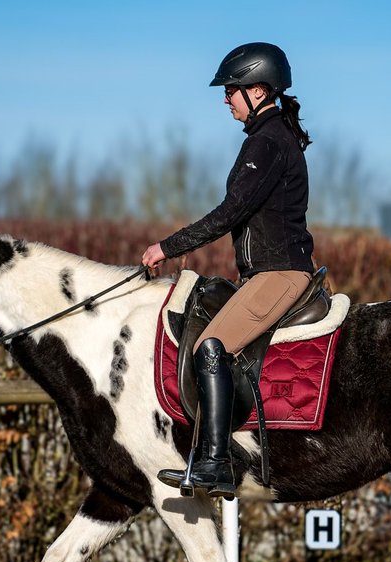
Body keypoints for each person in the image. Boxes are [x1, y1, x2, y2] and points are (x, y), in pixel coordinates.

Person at [143, 42, 315, 499]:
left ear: (258, 91)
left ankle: (216, 463)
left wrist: (168, 246)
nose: (226, 99)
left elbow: (229, 213)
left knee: (211, 346)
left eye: (232, 90)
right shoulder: (269, 138)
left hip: (281, 273)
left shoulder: (268, 141)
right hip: (264, 273)